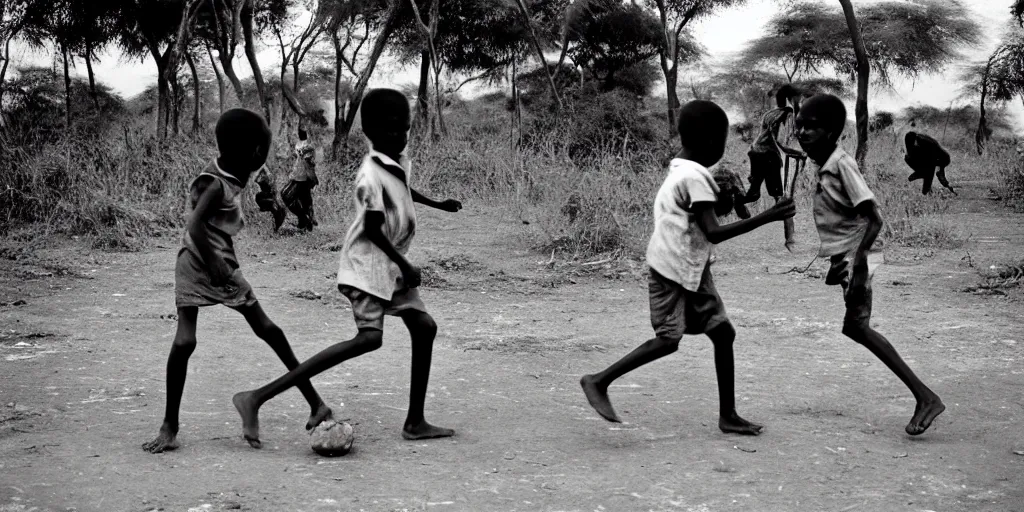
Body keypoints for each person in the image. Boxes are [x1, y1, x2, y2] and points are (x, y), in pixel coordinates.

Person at [231, 89, 464, 445]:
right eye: (390, 129)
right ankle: (257, 397)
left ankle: (415, 422)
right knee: (369, 339)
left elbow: (403, 188)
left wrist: (438, 203)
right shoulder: (368, 175)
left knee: (424, 327)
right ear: (369, 130)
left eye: (404, 128)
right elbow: (372, 228)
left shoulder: (397, 159)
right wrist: (406, 262)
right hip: (368, 266)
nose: (399, 135)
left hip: (390, 269)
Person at [580, 100, 796, 435]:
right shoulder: (696, 177)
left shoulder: (679, 168)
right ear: (712, 142)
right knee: (669, 339)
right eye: (723, 144)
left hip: (689, 267)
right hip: (674, 270)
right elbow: (714, 232)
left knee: (723, 333)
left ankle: (728, 415)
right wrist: (769, 216)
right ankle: (598, 381)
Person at [143, 109, 331, 453]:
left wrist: (269, 199)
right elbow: (194, 226)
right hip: (199, 262)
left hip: (221, 260)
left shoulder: (242, 165)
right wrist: (215, 264)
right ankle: (169, 425)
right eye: (264, 150)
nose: (265, 157)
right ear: (255, 151)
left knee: (268, 330)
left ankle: (316, 404)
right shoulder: (213, 183)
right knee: (185, 342)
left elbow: (263, 180)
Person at [794, 94, 945, 436]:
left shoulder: (842, 164)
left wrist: (857, 263)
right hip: (848, 257)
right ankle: (925, 396)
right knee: (855, 327)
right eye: (799, 126)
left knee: (858, 328)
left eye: (812, 127)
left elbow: (873, 217)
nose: (802, 132)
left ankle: (926, 398)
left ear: (832, 132)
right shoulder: (823, 162)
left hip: (859, 257)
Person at [742, 84, 806, 204]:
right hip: (768, 155)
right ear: (789, 99)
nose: (800, 101)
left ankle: (735, 201)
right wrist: (800, 153)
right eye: (797, 99)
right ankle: (787, 220)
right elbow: (781, 142)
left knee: (754, 194)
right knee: (778, 196)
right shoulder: (787, 114)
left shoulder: (769, 114)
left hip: (755, 151)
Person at [281, 128, 320, 231]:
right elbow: (300, 158)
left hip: (302, 178)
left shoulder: (309, 145)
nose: (299, 130)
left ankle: (304, 219)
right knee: (304, 200)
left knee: (285, 195)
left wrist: (313, 177)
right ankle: (305, 223)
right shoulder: (300, 143)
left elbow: (309, 162)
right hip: (298, 176)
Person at [904, 131, 956, 195]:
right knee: (928, 170)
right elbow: (935, 172)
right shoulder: (926, 143)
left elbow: (939, 173)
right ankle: (925, 191)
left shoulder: (927, 145)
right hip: (913, 156)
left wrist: (946, 183)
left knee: (928, 170)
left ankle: (924, 189)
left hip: (916, 156)